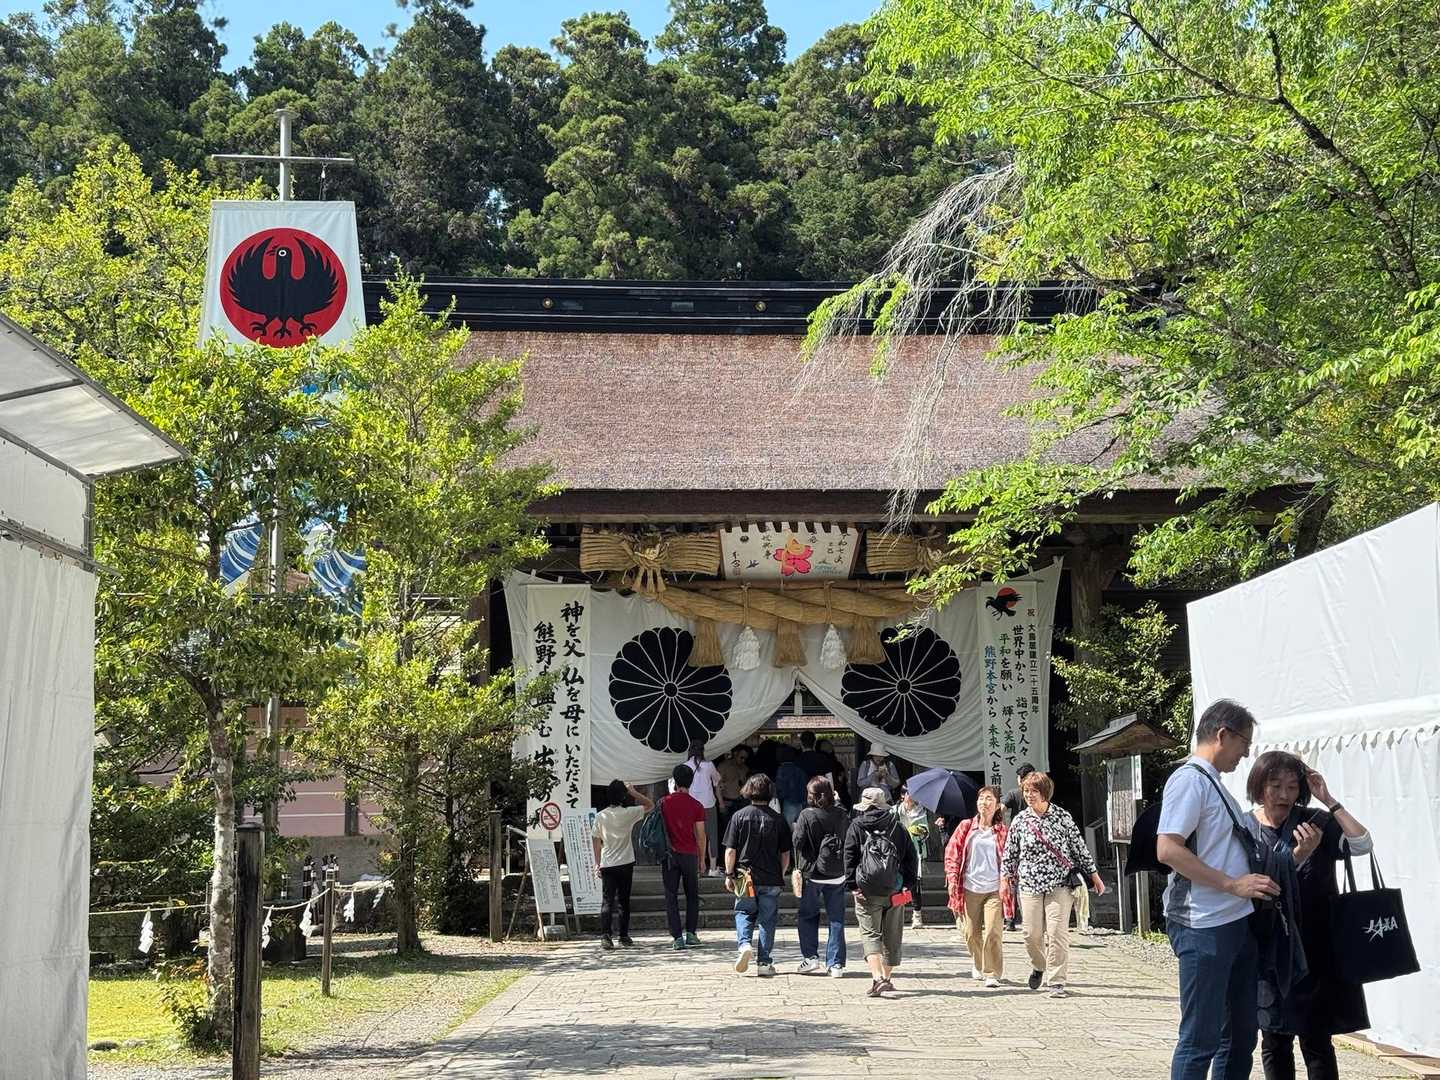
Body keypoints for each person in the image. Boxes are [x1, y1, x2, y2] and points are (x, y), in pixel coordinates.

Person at [1157, 699, 1279, 1080]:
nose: (1246, 753)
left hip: (1235, 922)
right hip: (1203, 926)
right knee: (1200, 1040)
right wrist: (1232, 884)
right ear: (1223, 735)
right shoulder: (1189, 781)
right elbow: (1168, 849)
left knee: (1240, 1037)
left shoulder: (1213, 784)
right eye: (1245, 743)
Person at [1244, 751, 1373, 1080]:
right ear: (1259, 786)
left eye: (1292, 786)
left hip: (1317, 947)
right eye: (1275, 785)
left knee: (1317, 1040)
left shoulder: (1315, 821)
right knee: (1274, 1039)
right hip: (1270, 948)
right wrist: (1299, 855)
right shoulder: (1245, 828)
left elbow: (1362, 844)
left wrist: (1328, 799)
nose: (1284, 794)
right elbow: (1257, 886)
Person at [1002, 770, 1105, 999]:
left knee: (1057, 933)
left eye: (1034, 791)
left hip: (1060, 883)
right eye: (1026, 791)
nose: (1029, 795)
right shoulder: (1020, 820)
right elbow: (1010, 853)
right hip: (1029, 884)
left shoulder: (1062, 817)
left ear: (1045, 792)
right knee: (1031, 934)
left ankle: (1056, 981)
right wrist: (1004, 879)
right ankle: (1039, 965)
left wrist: (1094, 875)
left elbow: (1079, 847)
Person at [844, 786, 919, 998]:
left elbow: (849, 856)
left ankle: (877, 979)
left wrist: (852, 885)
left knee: (870, 934)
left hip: (867, 890)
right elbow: (911, 856)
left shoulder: (856, 826)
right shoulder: (897, 826)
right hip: (894, 889)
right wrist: (908, 884)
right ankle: (886, 978)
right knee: (892, 936)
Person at [723, 773, 792, 977]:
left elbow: (730, 850)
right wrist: (781, 873)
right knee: (767, 920)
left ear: (748, 791)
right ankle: (764, 962)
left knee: (744, 912)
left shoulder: (738, 816)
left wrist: (729, 874)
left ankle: (744, 944)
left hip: (745, 876)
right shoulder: (778, 819)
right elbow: (785, 853)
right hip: (771, 877)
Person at [944, 785, 1012, 987]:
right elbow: (952, 854)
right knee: (971, 933)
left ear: (997, 805)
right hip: (969, 887)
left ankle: (992, 973)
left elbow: (1010, 859)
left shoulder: (1002, 831)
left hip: (994, 889)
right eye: (982, 798)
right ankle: (978, 962)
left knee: (993, 931)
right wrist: (952, 878)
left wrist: (1007, 881)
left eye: (989, 798)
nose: (985, 802)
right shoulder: (966, 827)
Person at [792, 776, 850, 977]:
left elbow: (797, 842)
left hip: (812, 873)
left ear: (811, 795)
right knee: (837, 919)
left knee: (808, 915)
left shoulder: (806, 815)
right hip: (837, 873)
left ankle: (810, 958)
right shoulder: (841, 813)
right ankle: (836, 964)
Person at [592, 779, 653, 950]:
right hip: (626, 862)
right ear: (623, 796)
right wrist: (633, 792)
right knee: (624, 901)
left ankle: (605, 936)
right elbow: (650, 805)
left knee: (607, 900)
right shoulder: (629, 813)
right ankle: (623, 936)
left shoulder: (600, 816)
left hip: (607, 863)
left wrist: (597, 863)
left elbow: (596, 842)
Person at [659, 763, 709, 950]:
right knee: (692, 895)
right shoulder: (697, 805)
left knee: (671, 895)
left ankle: (677, 937)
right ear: (691, 781)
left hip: (669, 855)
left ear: (675, 781)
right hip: (690, 855)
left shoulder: (663, 803)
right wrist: (702, 859)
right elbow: (701, 835)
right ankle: (691, 933)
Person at [672, 738, 723, 877]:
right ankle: (713, 868)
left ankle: (696, 867)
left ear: (689, 751)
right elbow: (717, 780)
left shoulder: (684, 766)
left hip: (691, 805)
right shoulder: (709, 765)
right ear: (703, 751)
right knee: (711, 835)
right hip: (708, 804)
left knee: (694, 836)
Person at [1000, 763, 1035, 929]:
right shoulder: (1040, 794)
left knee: (1012, 880)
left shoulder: (1014, 794)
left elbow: (1001, 809)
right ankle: (1030, 918)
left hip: (1017, 841)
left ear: (1020, 779)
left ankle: (1011, 919)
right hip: (1034, 842)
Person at [895, 786, 931, 928]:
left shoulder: (921, 811)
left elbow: (926, 832)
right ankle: (898, 913)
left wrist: (916, 831)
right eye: (908, 793)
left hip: (915, 851)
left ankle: (917, 915)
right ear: (902, 795)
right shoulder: (895, 811)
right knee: (899, 882)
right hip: (898, 851)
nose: (911, 797)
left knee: (914, 883)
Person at [716, 745, 751, 835]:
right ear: (735, 754)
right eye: (741, 757)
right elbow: (718, 785)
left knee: (740, 830)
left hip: (741, 802)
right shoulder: (724, 766)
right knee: (727, 831)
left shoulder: (745, 768)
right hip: (728, 802)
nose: (743, 760)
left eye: (745, 758)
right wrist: (721, 804)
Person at [775, 744, 809, 826]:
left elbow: (780, 788)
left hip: (788, 803)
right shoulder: (799, 770)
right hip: (801, 802)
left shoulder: (781, 770)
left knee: (788, 828)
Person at [817, 738, 851, 807]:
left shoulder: (834, 764)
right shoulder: (833, 763)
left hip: (831, 795)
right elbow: (842, 780)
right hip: (837, 795)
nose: (831, 747)